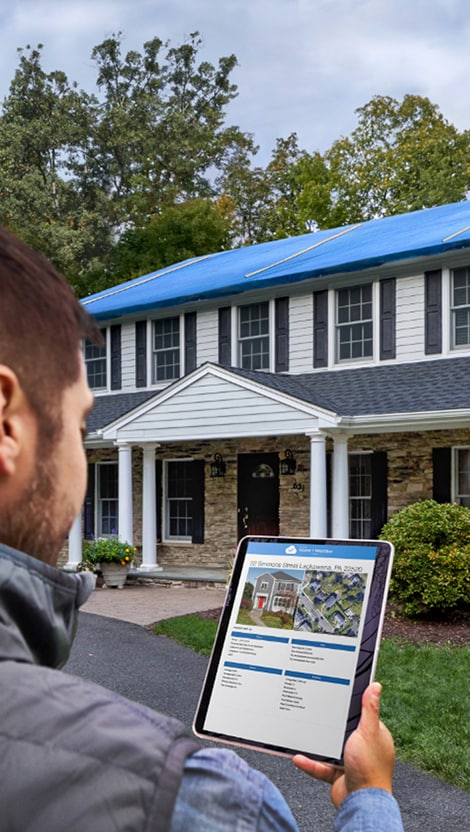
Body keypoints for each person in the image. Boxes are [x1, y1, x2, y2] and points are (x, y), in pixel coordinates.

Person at [0, 225, 404, 831]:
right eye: (81, 426)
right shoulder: (200, 798)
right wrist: (371, 796)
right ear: (8, 424)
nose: (84, 460)